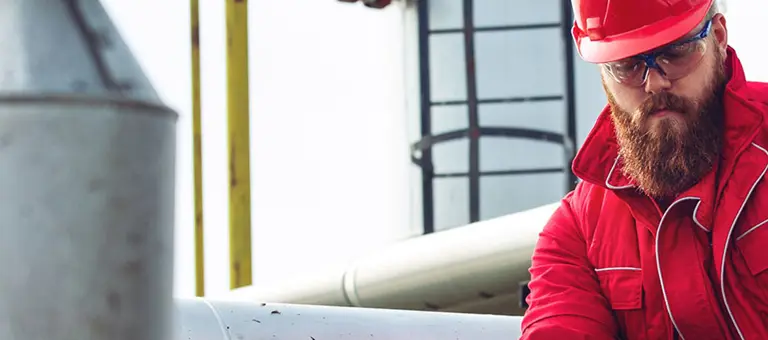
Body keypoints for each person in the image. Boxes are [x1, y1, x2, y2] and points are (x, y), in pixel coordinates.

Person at [520, 0, 768, 339]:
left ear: (719, 38)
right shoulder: (578, 232)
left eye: (677, 52)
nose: (654, 83)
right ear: (604, 74)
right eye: (627, 65)